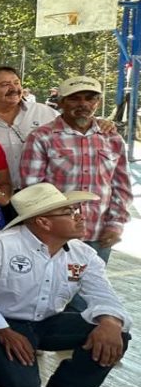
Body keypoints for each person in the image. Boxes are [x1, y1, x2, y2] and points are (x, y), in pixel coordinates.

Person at [0, 183, 131, 387]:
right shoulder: (0, 245)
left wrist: (111, 322)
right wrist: (2, 330)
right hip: (4, 323)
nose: (79, 216)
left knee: (117, 335)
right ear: (44, 222)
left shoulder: (84, 254)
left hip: (49, 322)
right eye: (69, 212)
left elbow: (103, 292)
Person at [19, 76, 129, 265]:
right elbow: (31, 190)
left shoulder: (112, 138)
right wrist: (48, 227)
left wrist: (116, 224)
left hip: (98, 233)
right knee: (51, 291)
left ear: (98, 102)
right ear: (61, 102)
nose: (83, 104)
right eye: (74, 98)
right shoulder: (42, 137)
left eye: (90, 98)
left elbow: (121, 187)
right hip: (56, 235)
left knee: (92, 292)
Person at [0, 66, 59, 190]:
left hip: (42, 195)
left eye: (16, 83)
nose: (14, 88)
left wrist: (96, 123)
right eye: (5, 84)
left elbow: (74, 130)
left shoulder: (45, 113)